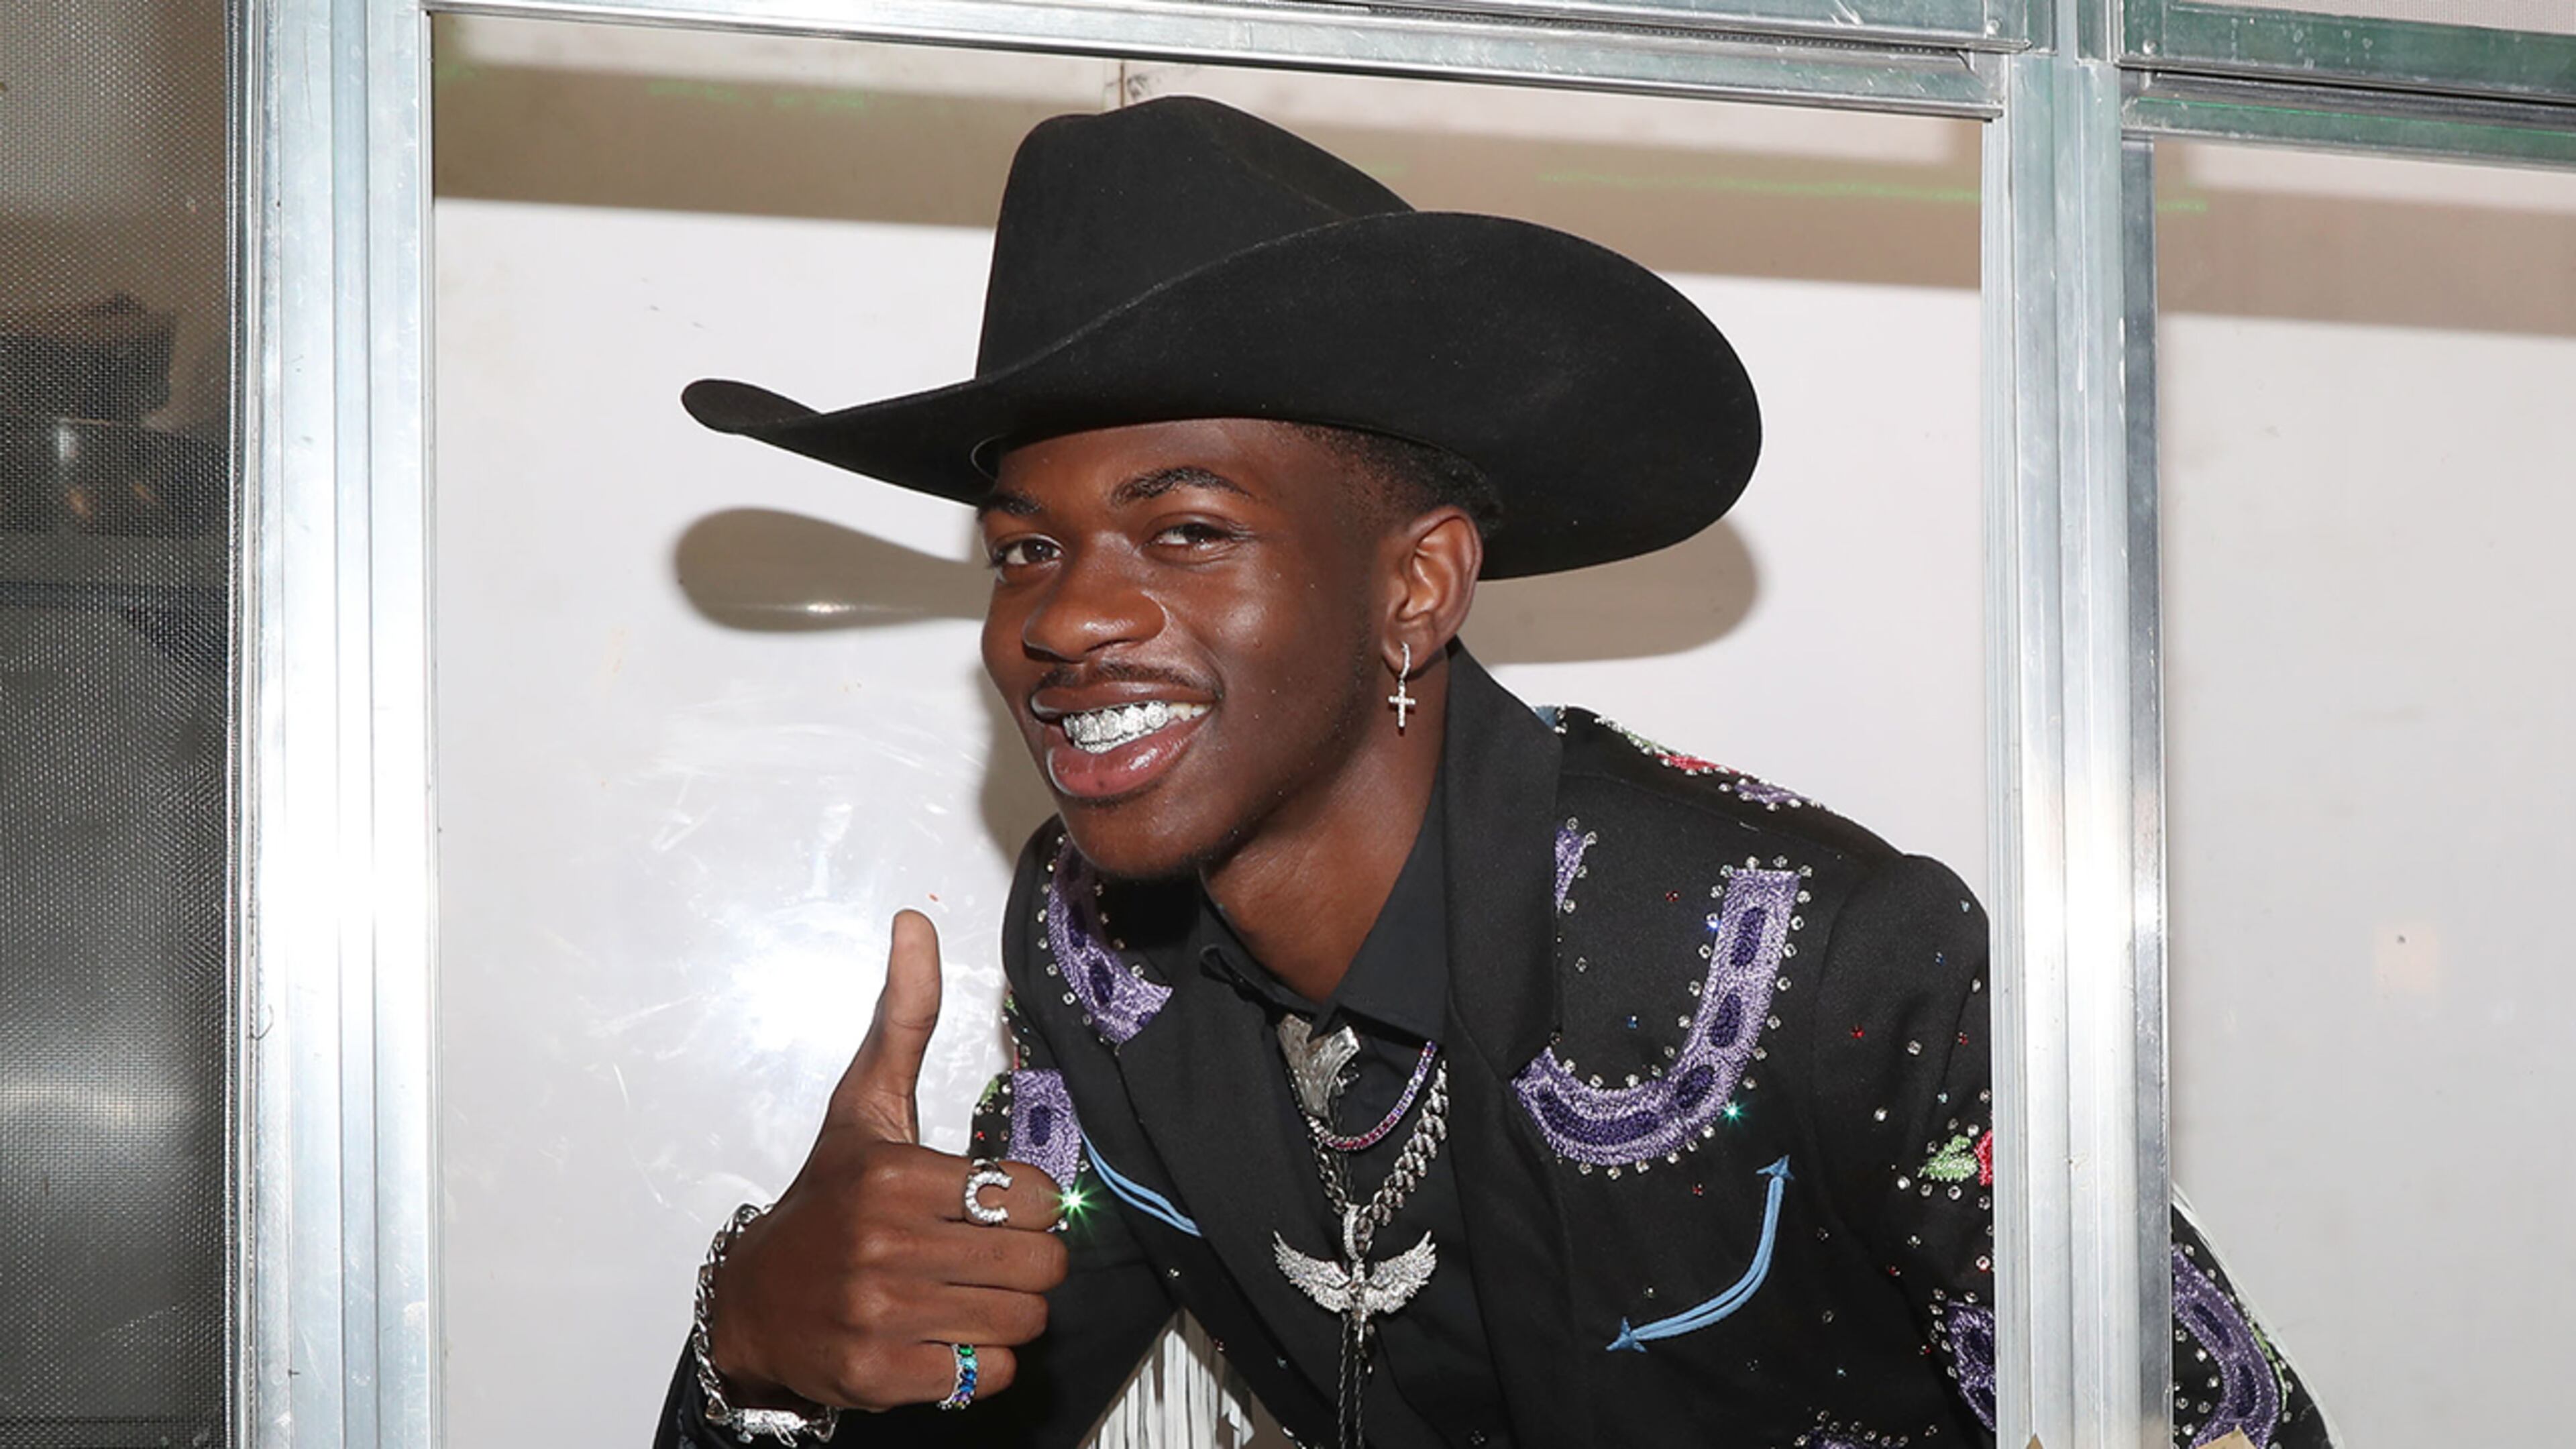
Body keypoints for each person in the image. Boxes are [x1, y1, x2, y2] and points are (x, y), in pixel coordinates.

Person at [653, 97, 2328, 1449]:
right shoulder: (1098, 962)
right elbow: (972, 1387)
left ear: (1417, 587)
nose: (1069, 613)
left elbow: (2227, 1428)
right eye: (1022, 551)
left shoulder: (1810, 957)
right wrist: (757, 1336)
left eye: (1185, 528)